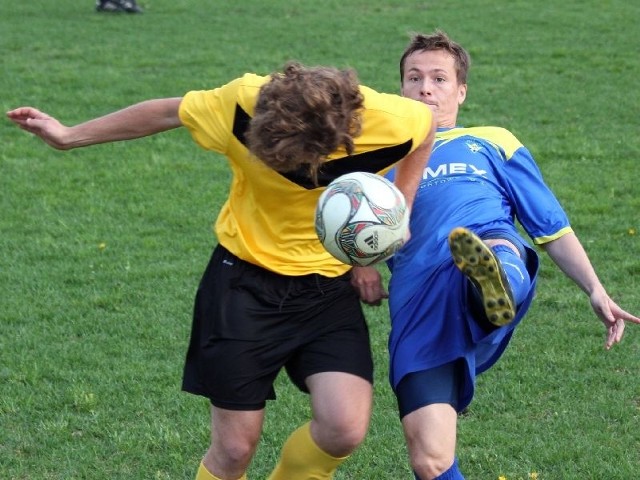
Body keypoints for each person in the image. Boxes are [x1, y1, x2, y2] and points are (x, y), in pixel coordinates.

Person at [6, 62, 435, 480]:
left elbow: (425, 133)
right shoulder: (240, 103)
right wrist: (68, 136)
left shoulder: (394, 120)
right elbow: (164, 111)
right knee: (233, 450)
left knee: (344, 428)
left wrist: (400, 209)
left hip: (326, 290)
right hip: (243, 288)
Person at [351, 31, 640, 480]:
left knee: (495, 248)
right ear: (401, 89)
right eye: (414, 77)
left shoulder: (492, 141)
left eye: (439, 78)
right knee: (430, 460)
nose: (426, 87)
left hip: (487, 246)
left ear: (461, 92)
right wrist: (360, 266)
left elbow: (550, 225)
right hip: (418, 301)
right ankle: (488, 286)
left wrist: (595, 288)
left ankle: (493, 282)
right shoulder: (379, 165)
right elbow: (352, 232)